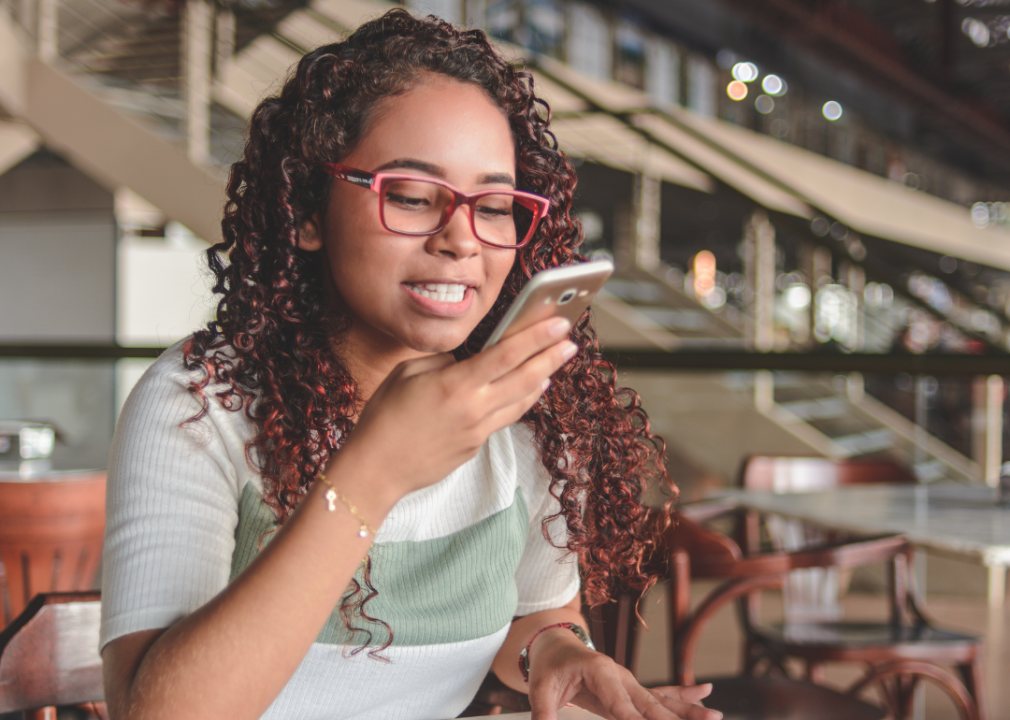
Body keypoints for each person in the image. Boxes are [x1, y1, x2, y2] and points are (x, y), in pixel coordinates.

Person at [99, 10, 718, 720]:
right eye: (414, 197)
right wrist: (376, 470)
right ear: (306, 210)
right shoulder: (200, 405)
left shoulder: (519, 413)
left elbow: (542, 609)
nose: (462, 239)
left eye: (494, 206)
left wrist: (556, 652)